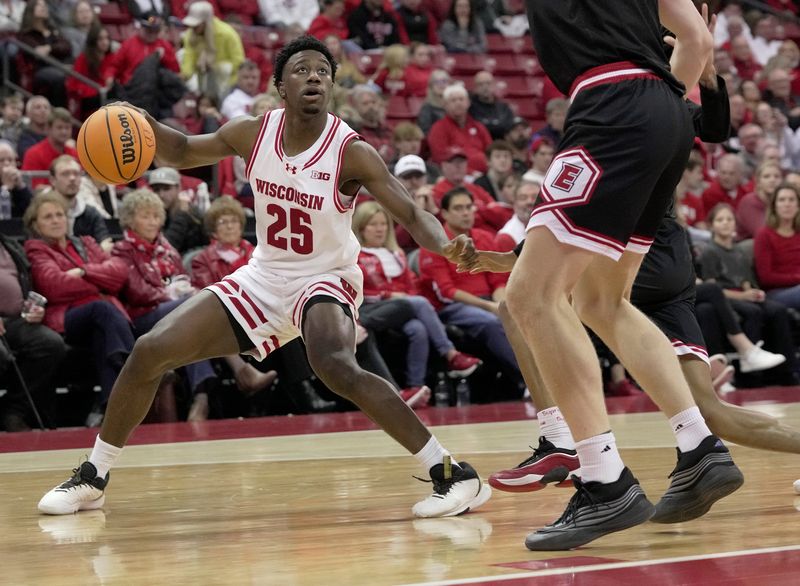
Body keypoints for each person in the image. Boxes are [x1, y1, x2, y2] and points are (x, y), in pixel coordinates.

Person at [38, 35, 491, 519]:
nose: (314, 76)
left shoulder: (351, 152)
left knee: (334, 362)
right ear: (280, 87)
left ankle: (453, 474)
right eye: (301, 69)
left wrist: (445, 244)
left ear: (333, 85)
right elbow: (182, 150)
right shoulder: (253, 134)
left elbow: (410, 212)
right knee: (150, 349)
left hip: (326, 277)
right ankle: (94, 476)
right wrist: (138, 123)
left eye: (322, 70)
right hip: (263, 276)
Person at [494, 0, 742, 551]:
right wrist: (658, 109)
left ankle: (604, 480)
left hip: (609, 103)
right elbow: (698, 41)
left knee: (531, 298)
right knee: (603, 301)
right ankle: (698, 446)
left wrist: (631, 112)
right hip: (668, 111)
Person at [23, 192, 134, 426]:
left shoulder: (86, 242)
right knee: (101, 309)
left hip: (101, 319)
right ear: (35, 225)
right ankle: (134, 368)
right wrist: (99, 279)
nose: (55, 220)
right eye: (48, 217)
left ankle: (109, 408)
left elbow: (120, 273)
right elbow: (53, 285)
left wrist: (84, 272)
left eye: (59, 215)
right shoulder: (36, 249)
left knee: (103, 334)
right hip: (66, 317)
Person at [353, 201, 481, 404]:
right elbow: (360, 291)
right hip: (372, 308)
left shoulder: (397, 254)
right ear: (361, 228)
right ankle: (451, 355)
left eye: (383, 224)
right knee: (419, 303)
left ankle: (415, 389)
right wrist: (389, 295)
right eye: (373, 224)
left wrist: (405, 296)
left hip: (402, 308)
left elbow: (411, 286)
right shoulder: (355, 256)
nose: (380, 229)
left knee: (418, 328)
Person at [190, 195, 278, 396]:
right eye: (223, 222)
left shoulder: (258, 253)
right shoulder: (202, 259)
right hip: (227, 314)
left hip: (261, 311)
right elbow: (209, 293)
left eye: (234, 221)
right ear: (213, 229)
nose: (230, 226)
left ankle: (300, 392)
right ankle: (304, 394)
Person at [0, 231, 67, 431]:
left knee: (50, 344)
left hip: (15, 319)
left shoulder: (9, 244)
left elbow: (27, 281)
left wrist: (35, 310)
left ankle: (12, 410)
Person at [180, 1, 245, 101]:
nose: (193, 28)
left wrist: (218, 68)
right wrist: (186, 74)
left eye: (197, 25)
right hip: (204, 81)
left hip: (228, 84)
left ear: (206, 22)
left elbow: (239, 60)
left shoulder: (227, 33)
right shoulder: (191, 34)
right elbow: (189, 56)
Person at [753, 182, 800, 309]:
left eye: (791, 200)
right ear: (774, 206)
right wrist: (797, 278)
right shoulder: (764, 235)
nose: (787, 204)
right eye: (782, 200)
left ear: (798, 206)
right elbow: (766, 278)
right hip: (776, 292)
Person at [21, 108, 78, 188]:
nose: (64, 132)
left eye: (67, 128)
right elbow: (35, 188)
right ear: (48, 129)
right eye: (59, 127)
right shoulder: (33, 154)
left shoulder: (74, 153)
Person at [0, 139, 32, 218]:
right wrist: (5, 190)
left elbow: (31, 212)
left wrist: (21, 186)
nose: (7, 164)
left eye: (10, 160)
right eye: (1, 160)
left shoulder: (19, 184)